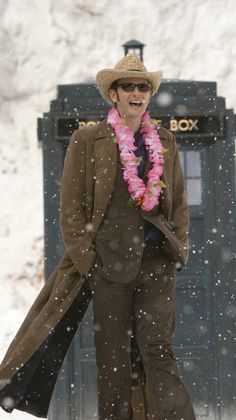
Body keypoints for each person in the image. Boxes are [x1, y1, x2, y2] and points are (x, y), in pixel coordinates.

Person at [0, 54, 196, 420]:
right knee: (113, 361)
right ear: (114, 94)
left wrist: (178, 247)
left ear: (149, 95)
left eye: (143, 87)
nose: (136, 92)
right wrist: (91, 264)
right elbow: (71, 212)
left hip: (156, 264)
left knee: (159, 351)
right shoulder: (87, 140)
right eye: (128, 86)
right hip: (108, 266)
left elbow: (179, 204)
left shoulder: (165, 141)